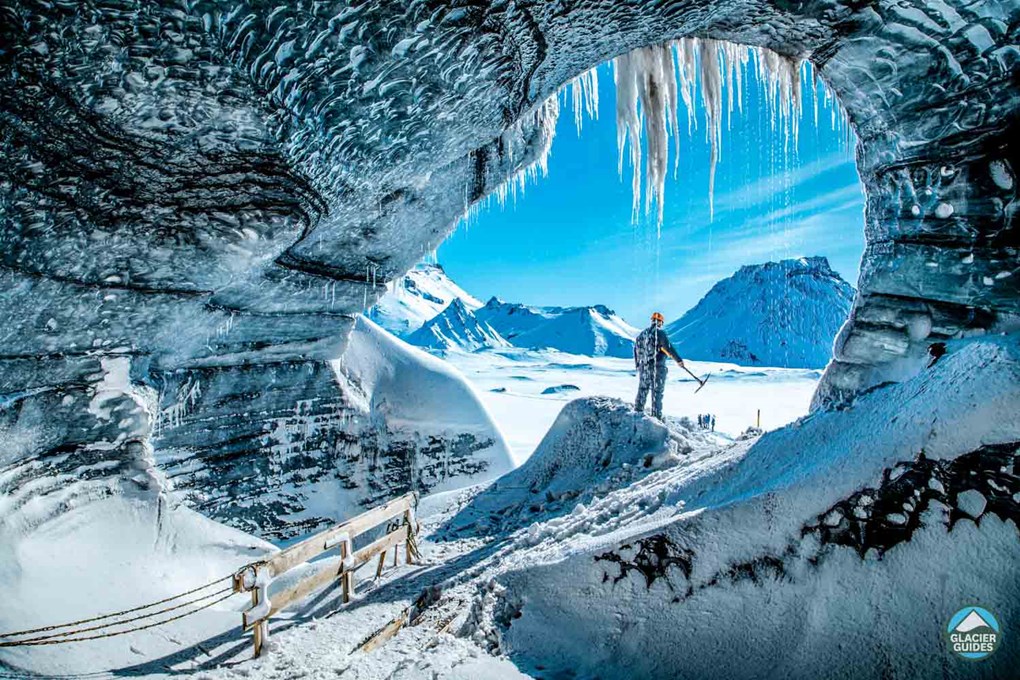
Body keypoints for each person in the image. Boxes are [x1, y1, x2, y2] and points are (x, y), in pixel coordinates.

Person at [634, 312, 684, 420]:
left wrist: (638, 365)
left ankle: (637, 413)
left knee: (642, 389)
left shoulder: (642, 335)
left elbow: (636, 351)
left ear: (652, 320)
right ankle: (656, 418)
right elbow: (668, 347)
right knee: (657, 393)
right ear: (660, 322)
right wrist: (678, 360)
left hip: (644, 367)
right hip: (658, 367)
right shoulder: (659, 333)